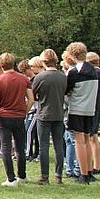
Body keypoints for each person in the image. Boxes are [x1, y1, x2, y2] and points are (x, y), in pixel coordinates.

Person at [0, 53, 34, 187]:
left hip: (4, 116)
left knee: (6, 147)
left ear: (1, 65)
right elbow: (31, 99)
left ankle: (11, 178)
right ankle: (22, 175)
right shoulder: (24, 79)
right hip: (19, 116)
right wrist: (25, 111)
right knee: (20, 147)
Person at [64, 42, 99, 185]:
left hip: (77, 108)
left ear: (72, 55)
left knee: (79, 142)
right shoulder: (94, 71)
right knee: (87, 139)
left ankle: (83, 175)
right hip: (90, 109)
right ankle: (89, 171)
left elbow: (67, 91)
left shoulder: (74, 72)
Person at [32, 49, 68, 184]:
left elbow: (33, 93)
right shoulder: (63, 76)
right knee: (59, 145)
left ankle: (44, 176)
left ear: (43, 62)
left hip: (44, 114)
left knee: (43, 146)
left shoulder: (40, 77)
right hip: (59, 113)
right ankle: (59, 176)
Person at [86, 51, 100, 176]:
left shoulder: (96, 73)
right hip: (96, 107)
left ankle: (96, 165)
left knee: (91, 137)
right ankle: (96, 165)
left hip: (92, 107)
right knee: (93, 136)